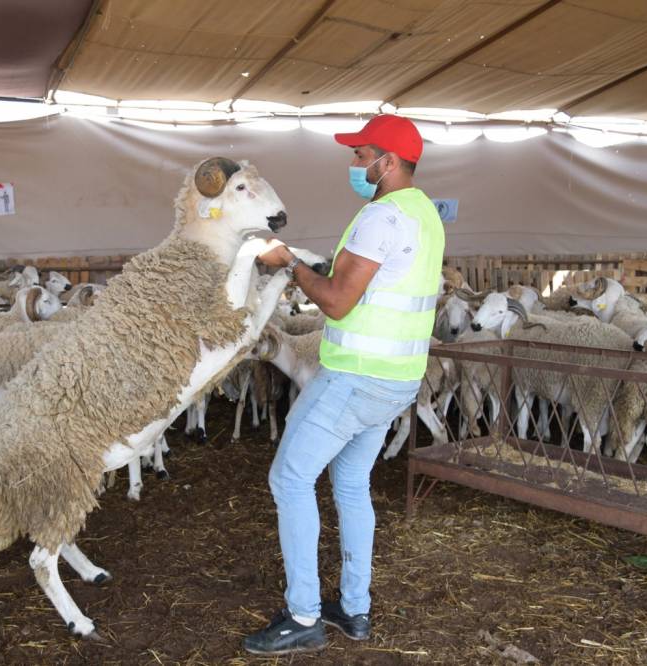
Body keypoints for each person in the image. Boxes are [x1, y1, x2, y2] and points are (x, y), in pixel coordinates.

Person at [243, 114, 445, 655]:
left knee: (288, 478)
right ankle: (354, 610)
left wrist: (288, 264)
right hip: (398, 380)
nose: (354, 164)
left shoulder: (378, 217)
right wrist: (319, 267)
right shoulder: (424, 212)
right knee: (351, 483)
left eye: (362, 155)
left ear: (389, 162)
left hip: (357, 378)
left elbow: (334, 301)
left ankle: (304, 614)